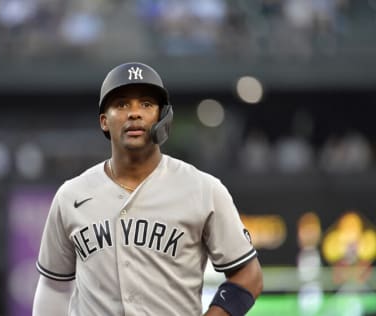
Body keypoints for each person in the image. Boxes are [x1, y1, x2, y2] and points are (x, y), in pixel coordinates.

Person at [32, 62, 263, 316]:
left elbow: (248, 275)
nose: (134, 113)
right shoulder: (71, 196)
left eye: (146, 104)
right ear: (104, 121)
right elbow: (54, 285)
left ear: (163, 116)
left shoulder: (203, 189)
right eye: (121, 104)